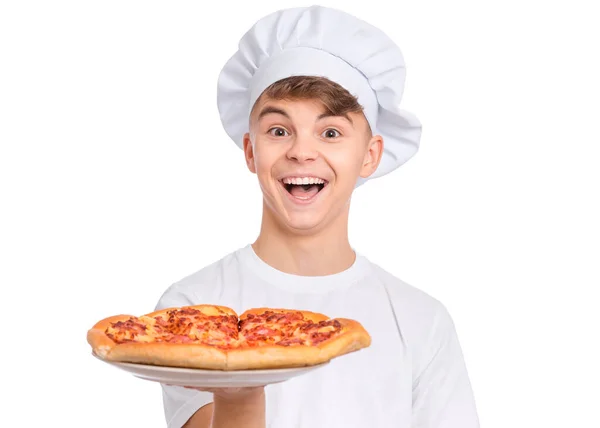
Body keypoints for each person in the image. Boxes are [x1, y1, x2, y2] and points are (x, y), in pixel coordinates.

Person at [155, 5, 480, 428]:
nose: (301, 151)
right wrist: (240, 392)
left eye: (330, 132)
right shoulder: (192, 311)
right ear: (251, 150)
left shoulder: (421, 321)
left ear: (370, 155)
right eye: (278, 130)